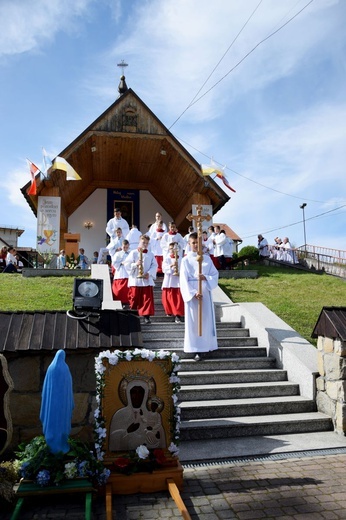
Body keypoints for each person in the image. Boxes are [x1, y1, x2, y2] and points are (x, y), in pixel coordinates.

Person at [180, 232, 219, 361]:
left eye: (198, 242)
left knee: (205, 320)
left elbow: (215, 274)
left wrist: (206, 277)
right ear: (189, 244)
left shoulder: (207, 259)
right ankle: (195, 349)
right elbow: (183, 280)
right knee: (194, 322)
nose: (196, 245)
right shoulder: (185, 260)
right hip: (193, 296)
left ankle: (206, 346)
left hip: (205, 293)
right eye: (193, 243)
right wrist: (192, 293)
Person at [124, 234, 157, 324]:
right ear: (139, 242)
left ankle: (146, 316)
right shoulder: (133, 253)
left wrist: (149, 273)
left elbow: (155, 265)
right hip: (135, 280)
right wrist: (135, 264)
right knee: (134, 297)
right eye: (143, 242)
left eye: (147, 243)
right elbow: (126, 264)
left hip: (146, 280)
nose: (145, 244)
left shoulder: (150, 254)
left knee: (147, 299)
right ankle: (133, 315)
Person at [161, 242, 184, 323]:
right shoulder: (167, 259)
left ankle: (178, 315)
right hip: (169, 281)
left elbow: (185, 270)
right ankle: (169, 312)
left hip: (178, 282)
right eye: (170, 248)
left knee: (178, 300)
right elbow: (164, 269)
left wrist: (180, 271)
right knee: (168, 298)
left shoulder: (182, 259)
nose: (172, 250)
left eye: (173, 248)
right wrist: (171, 266)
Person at [111, 239, 130, 305]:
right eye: (124, 247)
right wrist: (121, 263)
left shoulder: (130, 254)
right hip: (120, 270)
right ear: (122, 246)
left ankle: (127, 301)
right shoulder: (117, 254)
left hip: (128, 272)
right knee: (119, 289)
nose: (125, 248)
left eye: (127, 247)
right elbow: (114, 263)